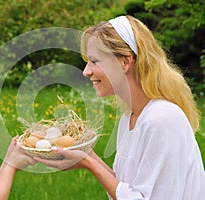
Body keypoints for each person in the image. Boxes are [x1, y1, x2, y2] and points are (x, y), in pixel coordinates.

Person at [35, 15, 205, 199]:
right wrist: (88, 155)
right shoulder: (130, 118)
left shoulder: (162, 118)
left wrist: (89, 163)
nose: (86, 71)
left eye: (95, 61)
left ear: (125, 62)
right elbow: (126, 190)